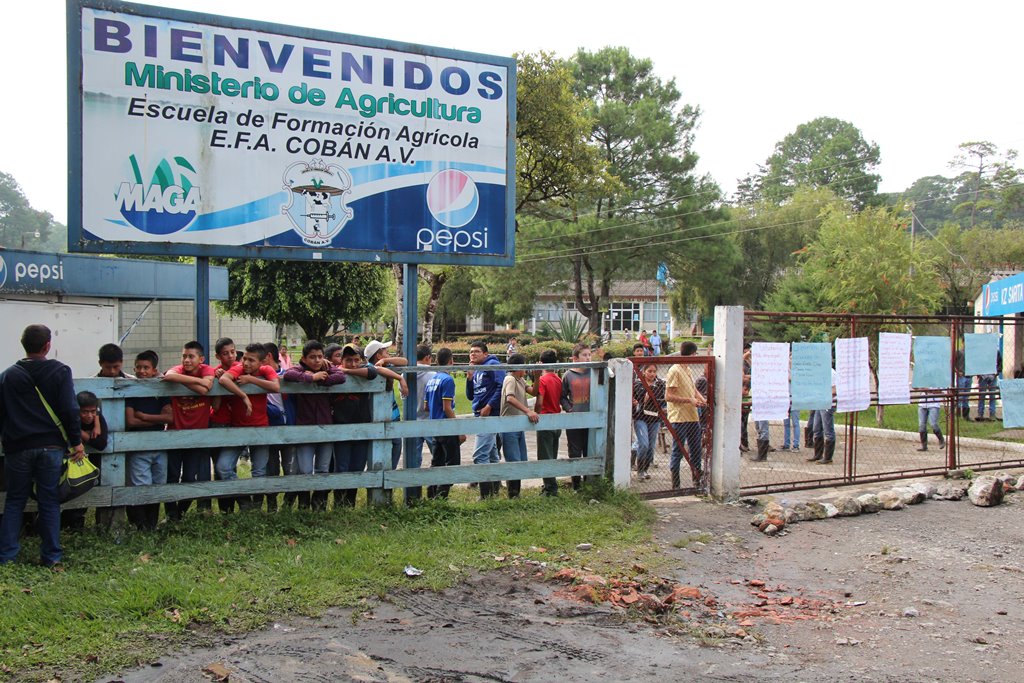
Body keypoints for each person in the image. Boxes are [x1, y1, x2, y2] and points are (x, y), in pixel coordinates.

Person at [0, 324, 85, 567]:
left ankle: (6, 557)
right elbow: (70, 409)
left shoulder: (8, 375)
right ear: (47, 346)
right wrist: (76, 441)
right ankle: (51, 556)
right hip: (51, 446)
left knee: (15, 500)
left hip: (17, 446)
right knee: (49, 501)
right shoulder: (59, 371)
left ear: (23, 344)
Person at [284, 340, 347, 510]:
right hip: (305, 427)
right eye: (312, 357)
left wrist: (321, 379)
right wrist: (310, 377)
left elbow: (341, 376)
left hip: (326, 427)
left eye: (320, 356)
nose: (317, 360)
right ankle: (303, 505)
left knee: (323, 467)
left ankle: (319, 505)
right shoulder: (299, 370)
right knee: (304, 469)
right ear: (304, 359)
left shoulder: (327, 370)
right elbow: (288, 375)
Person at [219, 343, 280, 510]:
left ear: (261, 362)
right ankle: (244, 499)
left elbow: (275, 386)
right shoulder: (239, 368)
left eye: (251, 360)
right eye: (245, 358)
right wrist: (243, 395)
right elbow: (224, 379)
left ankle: (256, 508)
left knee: (259, 471)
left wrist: (251, 380)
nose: (246, 363)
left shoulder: (265, 370)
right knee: (223, 467)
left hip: (260, 428)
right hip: (237, 428)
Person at [162, 341, 217, 518]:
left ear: (201, 359)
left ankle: (180, 513)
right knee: (171, 476)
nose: (186, 360)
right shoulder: (177, 369)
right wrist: (197, 382)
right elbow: (169, 376)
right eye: (184, 356)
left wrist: (189, 382)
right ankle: (171, 514)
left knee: (189, 477)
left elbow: (207, 386)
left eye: (191, 356)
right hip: (174, 433)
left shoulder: (207, 369)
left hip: (197, 435)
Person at [125, 350, 172, 529]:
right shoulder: (131, 391)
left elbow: (170, 417)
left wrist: (144, 416)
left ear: (154, 370)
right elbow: (131, 420)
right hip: (138, 445)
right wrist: (156, 417)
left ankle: (151, 525)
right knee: (140, 485)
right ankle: (141, 526)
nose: (142, 371)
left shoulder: (160, 390)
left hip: (159, 445)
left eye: (146, 368)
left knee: (158, 484)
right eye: (139, 367)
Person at [330, 344, 377, 507]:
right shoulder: (334, 373)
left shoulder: (364, 371)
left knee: (357, 466)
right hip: (340, 429)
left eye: (356, 360)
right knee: (341, 466)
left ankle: (350, 503)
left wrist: (349, 371)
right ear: (341, 361)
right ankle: (339, 503)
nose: (353, 363)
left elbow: (373, 372)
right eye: (348, 360)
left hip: (362, 429)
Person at [61, 391, 109, 531]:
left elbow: (101, 444)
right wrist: (82, 433)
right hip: (68, 466)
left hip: (88, 468)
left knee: (82, 494)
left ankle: (75, 525)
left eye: (92, 411)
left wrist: (79, 434)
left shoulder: (98, 420)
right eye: (84, 412)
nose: (89, 416)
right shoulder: (69, 419)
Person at [465, 341, 505, 499]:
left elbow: (500, 386)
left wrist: (489, 406)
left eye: (476, 351)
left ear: (485, 354)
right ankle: (495, 489)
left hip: (490, 415)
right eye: (471, 352)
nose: (472, 354)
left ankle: (485, 495)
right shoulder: (477, 369)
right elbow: (470, 396)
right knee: (492, 454)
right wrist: (469, 378)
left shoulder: (493, 364)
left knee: (480, 454)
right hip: (479, 414)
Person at [666, 341, 706, 488]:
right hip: (679, 417)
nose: (696, 357)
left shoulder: (687, 369)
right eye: (695, 354)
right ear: (691, 354)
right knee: (678, 450)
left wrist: (702, 400)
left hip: (692, 416)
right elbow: (668, 396)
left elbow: (693, 390)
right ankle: (675, 484)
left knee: (696, 449)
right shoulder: (674, 370)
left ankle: (697, 480)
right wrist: (689, 400)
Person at [424, 347, 461, 499]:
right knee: (452, 464)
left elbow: (426, 407)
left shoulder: (431, 379)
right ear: (451, 360)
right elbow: (447, 408)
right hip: (446, 427)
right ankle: (441, 496)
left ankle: (430, 494)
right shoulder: (448, 380)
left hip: (434, 427)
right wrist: (458, 429)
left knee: (436, 462)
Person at [500, 353, 538, 498]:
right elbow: (510, 398)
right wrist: (528, 411)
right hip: (509, 425)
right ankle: (513, 494)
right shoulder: (510, 379)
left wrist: (537, 376)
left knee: (521, 459)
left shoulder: (520, 380)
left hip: (518, 426)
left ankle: (516, 493)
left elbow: (534, 391)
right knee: (514, 460)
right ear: (518, 367)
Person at [261, 342, 292, 512]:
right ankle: (271, 506)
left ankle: (287, 505)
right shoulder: (258, 377)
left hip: (288, 428)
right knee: (270, 467)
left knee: (290, 468)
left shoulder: (287, 375)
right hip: (269, 429)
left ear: (268, 357)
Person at [210, 338, 239, 513]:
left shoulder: (242, 369)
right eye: (225, 353)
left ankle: (241, 500)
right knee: (219, 468)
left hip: (236, 423)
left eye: (233, 352)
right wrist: (219, 384)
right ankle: (225, 509)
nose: (230, 356)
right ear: (218, 356)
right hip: (217, 422)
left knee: (228, 466)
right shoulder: (214, 373)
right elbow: (215, 406)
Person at [561, 344, 592, 491]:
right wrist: (569, 409)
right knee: (574, 451)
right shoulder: (568, 375)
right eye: (584, 355)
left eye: (589, 354)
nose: (588, 357)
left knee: (589, 450)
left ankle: (588, 482)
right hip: (574, 419)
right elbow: (562, 397)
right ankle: (576, 485)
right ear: (575, 358)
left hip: (591, 419)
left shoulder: (594, 372)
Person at [535, 349, 563, 496]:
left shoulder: (543, 380)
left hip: (545, 419)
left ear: (540, 363)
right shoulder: (558, 379)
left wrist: (535, 413)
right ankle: (549, 485)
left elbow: (539, 402)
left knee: (545, 456)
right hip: (557, 419)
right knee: (552, 454)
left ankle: (550, 488)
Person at [632, 364, 665, 480]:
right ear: (644, 372)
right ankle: (640, 470)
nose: (652, 374)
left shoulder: (660, 383)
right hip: (640, 417)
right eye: (649, 371)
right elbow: (639, 399)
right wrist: (643, 398)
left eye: (654, 371)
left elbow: (661, 398)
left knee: (651, 446)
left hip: (655, 417)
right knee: (644, 444)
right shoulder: (637, 384)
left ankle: (645, 469)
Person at [976, 351, 1001, 422]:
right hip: (983, 376)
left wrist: (996, 373)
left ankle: (992, 414)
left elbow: (1000, 363)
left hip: (993, 375)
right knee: (981, 395)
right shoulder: (981, 351)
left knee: (992, 395)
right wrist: (979, 373)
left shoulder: (996, 352)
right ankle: (980, 414)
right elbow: (977, 362)